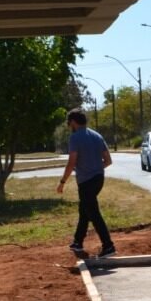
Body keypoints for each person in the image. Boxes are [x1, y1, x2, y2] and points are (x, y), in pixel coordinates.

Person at [56, 109, 116, 258]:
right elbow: (108, 161)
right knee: (85, 210)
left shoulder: (75, 138)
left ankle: (109, 246)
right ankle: (77, 242)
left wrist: (62, 182)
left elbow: (71, 163)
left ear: (74, 122)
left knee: (93, 213)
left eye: (69, 123)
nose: (69, 126)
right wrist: (96, 168)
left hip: (86, 182)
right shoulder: (97, 136)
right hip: (98, 179)